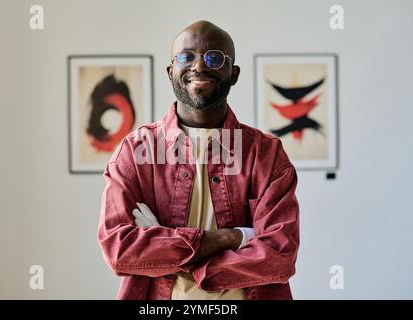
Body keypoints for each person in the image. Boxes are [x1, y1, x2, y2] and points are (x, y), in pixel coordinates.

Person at [98, 20, 300, 300]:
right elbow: (119, 249)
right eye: (186, 56)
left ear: (234, 74)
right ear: (171, 72)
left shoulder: (266, 155)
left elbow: (279, 255)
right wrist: (232, 238)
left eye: (214, 58)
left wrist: (170, 253)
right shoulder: (135, 153)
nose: (200, 66)